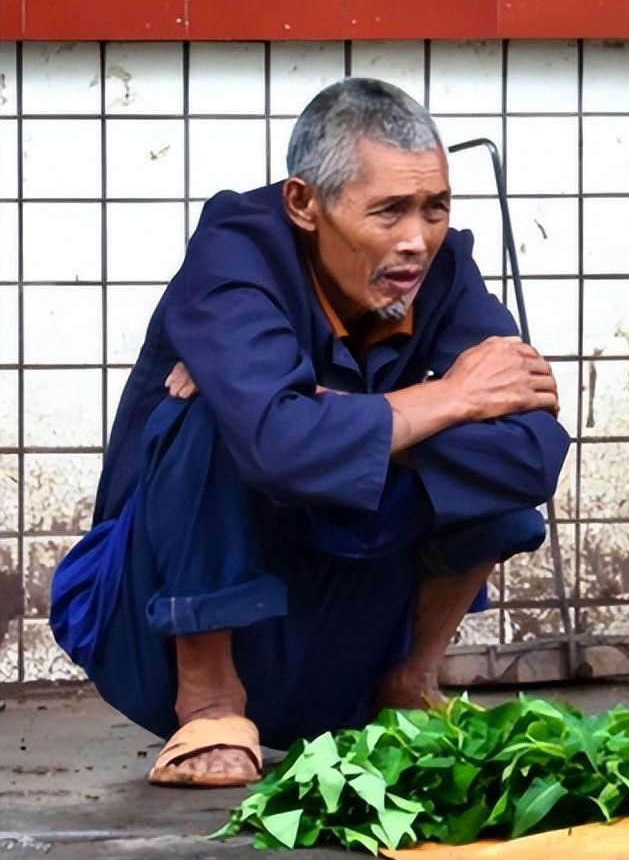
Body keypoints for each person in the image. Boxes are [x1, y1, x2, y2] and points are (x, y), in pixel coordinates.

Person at [48, 78, 570, 788]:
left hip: (344, 627)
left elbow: (534, 453)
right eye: (388, 211)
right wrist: (447, 397)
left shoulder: (444, 274)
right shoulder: (234, 254)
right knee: (211, 416)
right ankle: (209, 706)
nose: (417, 240)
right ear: (304, 203)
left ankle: (406, 682)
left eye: (435, 209)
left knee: (493, 457)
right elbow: (275, 445)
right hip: (152, 622)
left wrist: (348, 413)